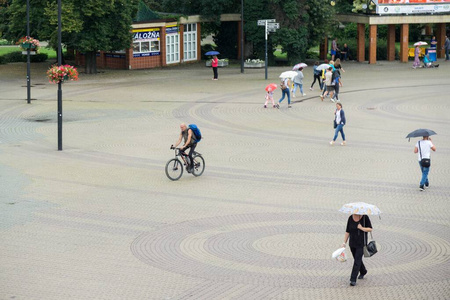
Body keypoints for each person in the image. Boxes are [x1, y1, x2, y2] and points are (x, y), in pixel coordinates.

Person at [342, 214, 373, 286]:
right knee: (357, 259)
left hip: (361, 244)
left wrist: (362, 228)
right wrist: (344, 242)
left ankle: (353, 279)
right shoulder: (350, 217)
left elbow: (370, 229)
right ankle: (363, 271)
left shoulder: (365, 217)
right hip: (352, 243)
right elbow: (347, 231)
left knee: (357, 260)